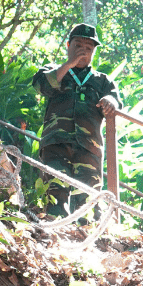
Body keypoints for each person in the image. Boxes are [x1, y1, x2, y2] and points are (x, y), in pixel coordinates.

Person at [31, 23, 120, 217]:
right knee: (55, 196)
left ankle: (88, 240)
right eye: (78, 45)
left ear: (94, 52)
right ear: (68, 45)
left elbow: (116, 102)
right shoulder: (54, 70)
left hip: (89, 148)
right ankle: (53, 235)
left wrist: (110, 100)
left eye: (89, 48)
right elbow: (42, 86)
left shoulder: (102, 81)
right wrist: (69, 64)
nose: (83, 51)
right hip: (56, 144)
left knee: (88, 202)